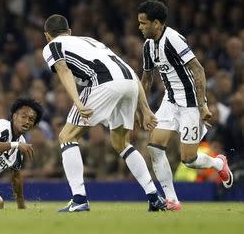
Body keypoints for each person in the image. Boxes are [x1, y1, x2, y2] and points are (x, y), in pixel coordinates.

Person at [42, 14, 164, 212]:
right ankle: (154, 197)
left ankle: (79, 198)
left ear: (47, 36)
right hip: (130, 83)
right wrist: (145, 109)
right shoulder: (90, 41)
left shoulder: (52, 46)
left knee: (67, 137)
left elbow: (63, 70)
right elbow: (129, 70)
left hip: (103, 83)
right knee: (121, 143)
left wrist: (77, 101)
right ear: (70, 32)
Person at [137, 0, 234, 211]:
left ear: (156, 23)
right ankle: (172, 200)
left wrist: (202, 107)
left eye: (144, 23)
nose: (140, 27)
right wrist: (142, 109)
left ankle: (218, 164)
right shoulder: (148, 46)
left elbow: (198, 70)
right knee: (154, 146)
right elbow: (146, 80)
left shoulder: (173, 40)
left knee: (188, 159)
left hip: (191, 104)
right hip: (170, 101)